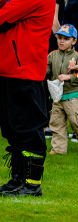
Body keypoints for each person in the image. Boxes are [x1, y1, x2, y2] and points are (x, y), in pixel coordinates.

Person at [0, 0, 56, 197]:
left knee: (28, 129)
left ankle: (32, 184)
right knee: (13, 128)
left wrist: (0, 3)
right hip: (11, 68)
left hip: (24, 70)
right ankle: (17, 180)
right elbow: (3, 18)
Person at [47, 24, 78, 155]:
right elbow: (46, 71)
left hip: (72, 96)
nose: (61, 41)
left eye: (66, 38)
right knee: (56, 123)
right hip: (56, 97)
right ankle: (58, 149)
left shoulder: (76, 56)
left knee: (76, 121)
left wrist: (69, 77)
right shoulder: (52, 55)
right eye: (59, 37)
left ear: (74, 41)